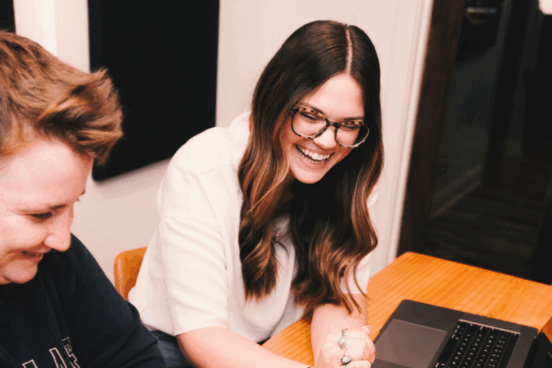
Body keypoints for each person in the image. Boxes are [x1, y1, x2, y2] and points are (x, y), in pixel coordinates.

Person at [130, 20, 383, 368]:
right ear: (276, 99)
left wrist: (342, 355)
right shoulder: (203, 167)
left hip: (269, 349)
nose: (327, 141)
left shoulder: (350, 173)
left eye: (349, 125)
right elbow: (203, 338)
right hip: (179, 351)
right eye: (311, 115)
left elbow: (337, 297)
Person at [0, 31, 165, 367]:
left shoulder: (57, 259)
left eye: (72, 205)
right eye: (41, 214)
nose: (63, 240)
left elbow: (136, 356)